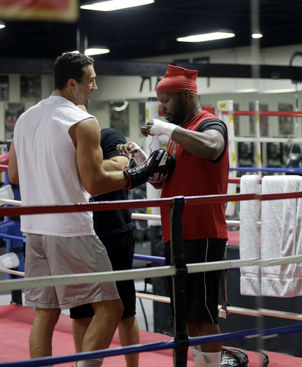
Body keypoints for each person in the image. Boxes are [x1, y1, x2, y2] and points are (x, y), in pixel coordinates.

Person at [7, 52, 173, 367]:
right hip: (70, 229)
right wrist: (136, 173)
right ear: (72, 83)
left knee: (45, 312)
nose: (95, 87)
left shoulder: (26, 118)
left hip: (34, 227)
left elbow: (14, 175)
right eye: (91, 80)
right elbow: (95, 183)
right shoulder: (81, 121)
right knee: (110, 308)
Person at [140, 65, 229, 367]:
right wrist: (143, 161)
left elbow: (214, 148)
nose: (161, 107)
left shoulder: (209, 123)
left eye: (166, 100)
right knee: (187, 316)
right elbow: (169, 180)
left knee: (202, 314)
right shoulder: (180, 135)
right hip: (176, 233)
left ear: (186, 95)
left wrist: (168, 130)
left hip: (202, 232)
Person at [69, 128, 147, 367]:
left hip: (114, 232)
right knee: (81, 311)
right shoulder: (63, 143)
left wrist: (82, 168)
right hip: (77, 234)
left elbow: (122, 165)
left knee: (125, 310)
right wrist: (93, 169)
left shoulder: (109, 136)